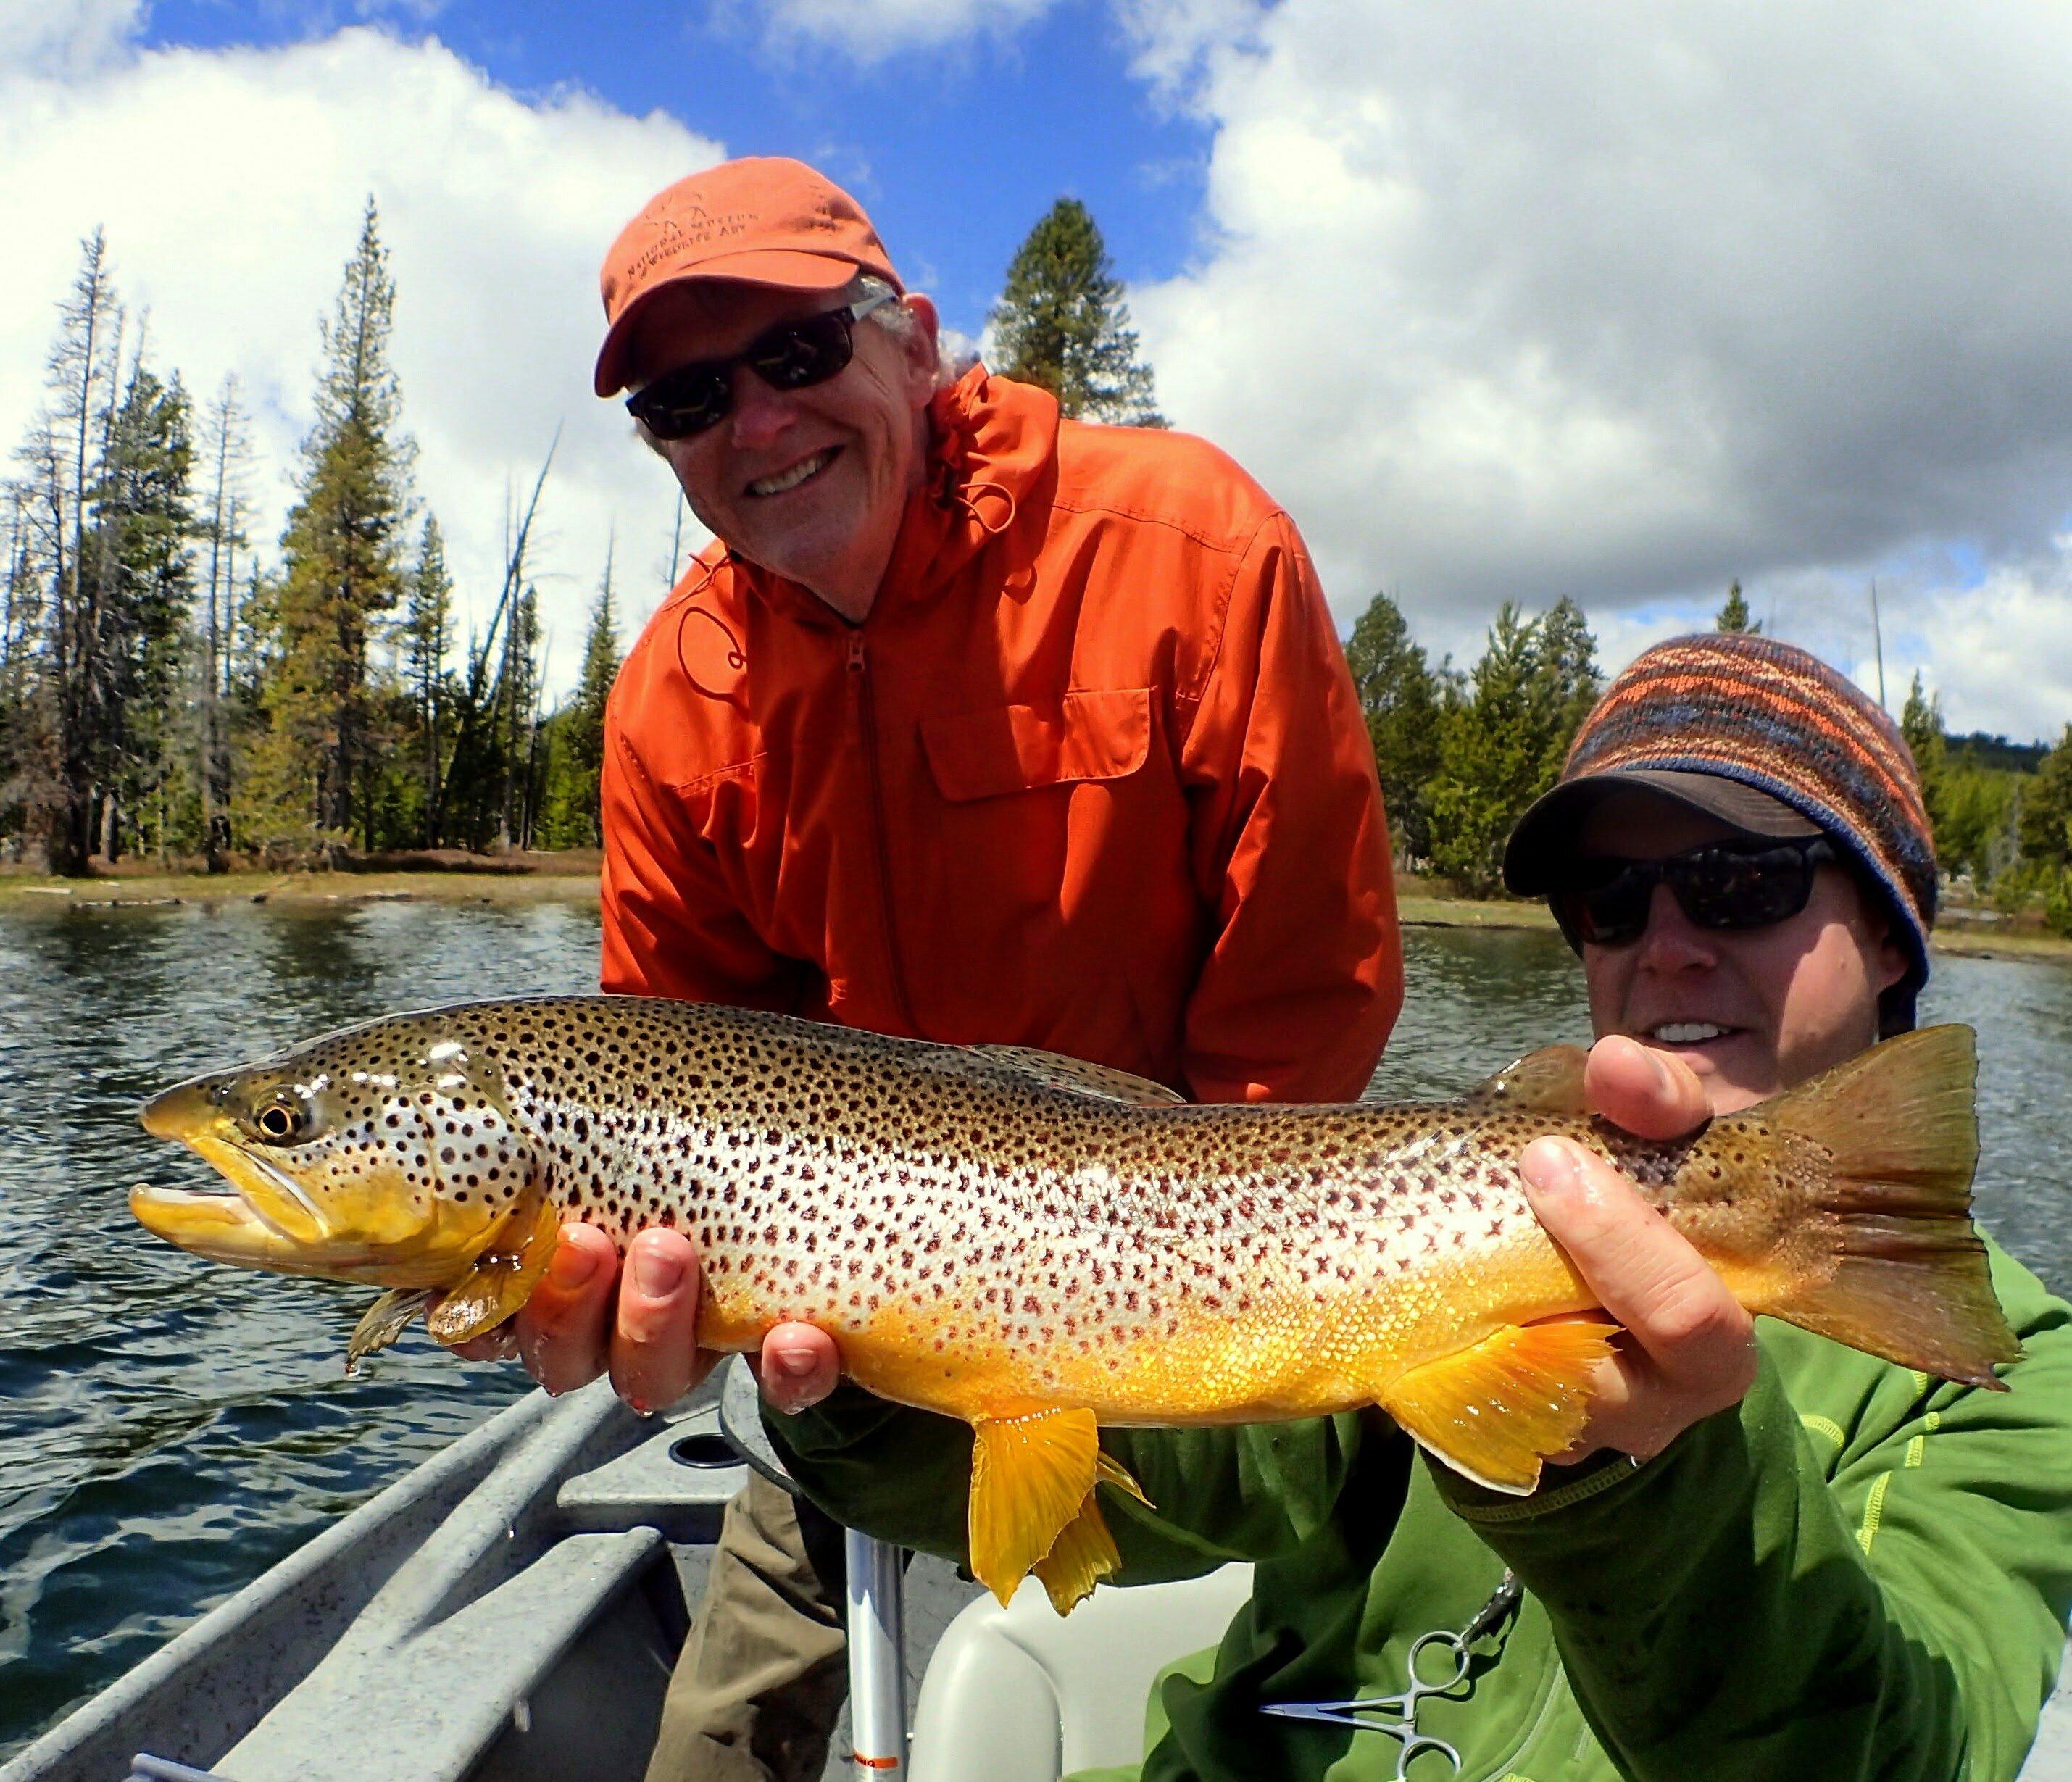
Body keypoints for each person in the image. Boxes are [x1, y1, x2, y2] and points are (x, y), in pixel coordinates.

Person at [739, 633, 2072, 1781]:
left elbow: (1905, 1754)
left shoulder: (2015, 1377)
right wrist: (862, 1353)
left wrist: (1643, 1493)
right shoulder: (1443, 1224)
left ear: (1895, 930)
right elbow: (1177, 1483)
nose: (1666, 940)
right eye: (1610, 899)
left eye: (1742, 883)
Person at [478, 155, 1405, 1782]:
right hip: (848, 1350)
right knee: (712, 1747)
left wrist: (1161, 1299)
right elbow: (674, 1080)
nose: (755, 424)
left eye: (795, 355)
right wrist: (646, 1299)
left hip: (1183, 1284)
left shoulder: (1188, 548)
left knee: (1261, 1690)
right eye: (692, 398)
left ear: (909, 339)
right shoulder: (669, 711)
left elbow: (1305, 997)